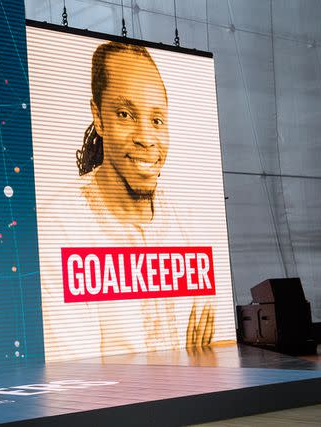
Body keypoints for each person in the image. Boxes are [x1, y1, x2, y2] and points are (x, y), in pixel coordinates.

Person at [39, 41, 218, 361]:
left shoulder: (190, 222)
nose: (146, 137)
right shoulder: (60, 226)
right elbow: (77, 376)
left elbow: (212, 345)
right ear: (99, 117)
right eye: (125, 114)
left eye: (157, 120)